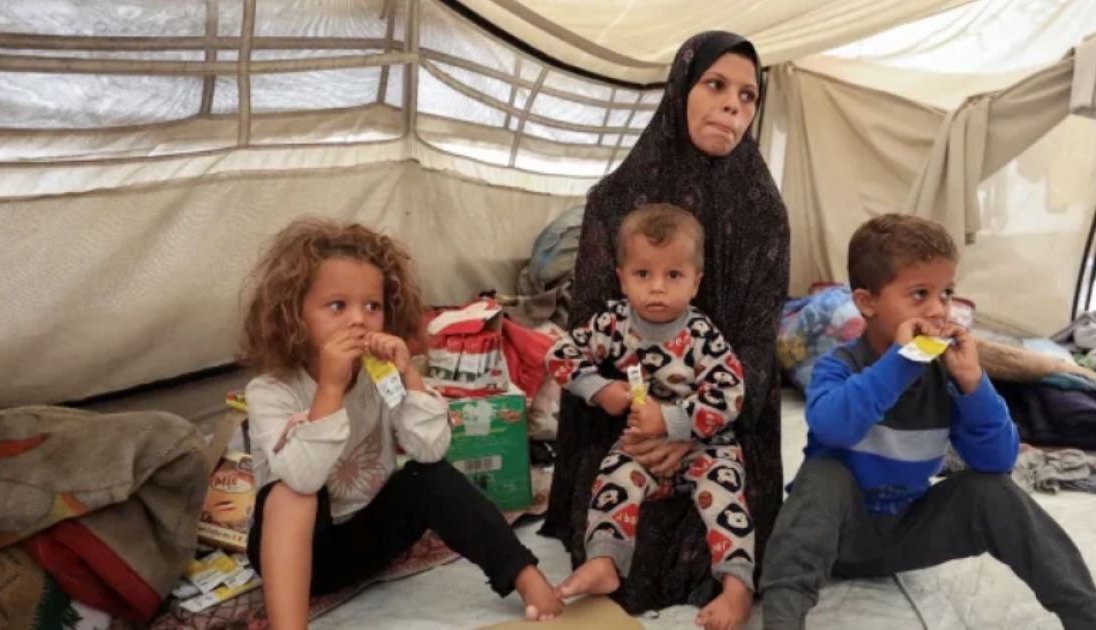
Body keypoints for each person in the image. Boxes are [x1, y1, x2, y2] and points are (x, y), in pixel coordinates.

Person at [541, 30, 792, 613]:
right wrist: (644, 423)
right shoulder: (617, 199)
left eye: (748, 96)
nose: (733, 106)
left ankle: (734, 584)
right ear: (681, 89)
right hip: (626, 426)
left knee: (724, 534)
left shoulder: (764, 210)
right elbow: (590, 336)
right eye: (716, 85)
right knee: (625, 536)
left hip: (723, 423)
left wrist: (687, 428)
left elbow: (757, 346)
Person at [759, 214, 1096, 630]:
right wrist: (901, 363)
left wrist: (974, 385)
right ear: (867, 303)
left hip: (906, 535)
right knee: (824, 475)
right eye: (919, 294)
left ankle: (1089, 621)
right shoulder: (840, 366)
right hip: (835, 540)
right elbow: (834, 427)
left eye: (946, 293)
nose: (938, 309)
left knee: (992, 492)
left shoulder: (945, 374)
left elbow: (997, 462)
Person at [238, 218, 562, 629]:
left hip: (369, 542)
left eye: (371, 306)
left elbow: (430, 449)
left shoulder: (380, 374)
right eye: (337, 306)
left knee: (430, 478)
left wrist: (409, 376)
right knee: (291, 495)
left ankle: (526, 577)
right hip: (297, 556)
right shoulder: (270, 391)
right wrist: (331, 390)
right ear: (293, 316)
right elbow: (302, 477)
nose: (358, 320)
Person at [548, 204, 753, 630]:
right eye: (643, 274)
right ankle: (604, 561)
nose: (657, 288)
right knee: (613, 477)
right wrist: (599, 389)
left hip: (706, 446)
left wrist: (671, 420)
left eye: (673, 275)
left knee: (726, 497)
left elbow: (731, 395)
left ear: (695, 282)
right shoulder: (613, 323)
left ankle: (736, 589)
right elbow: (559, 354)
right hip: (641, 446)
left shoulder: (701, 336)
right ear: (622, 278)